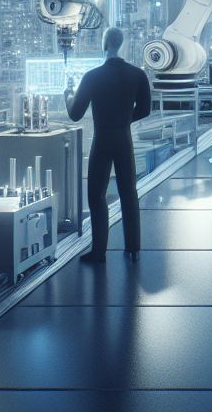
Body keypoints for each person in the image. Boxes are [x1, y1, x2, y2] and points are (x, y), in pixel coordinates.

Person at [65, 27, 151, 264]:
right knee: (128, 193)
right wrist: (124, 120)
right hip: (123, 137)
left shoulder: (92, 76)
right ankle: (133, 249)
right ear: (120, 43)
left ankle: (99, 252)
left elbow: (75, 113)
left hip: (102, 137)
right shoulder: (137, 74)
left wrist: (67, 94)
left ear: (105, 44)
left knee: (97, 195)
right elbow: (145, 109)